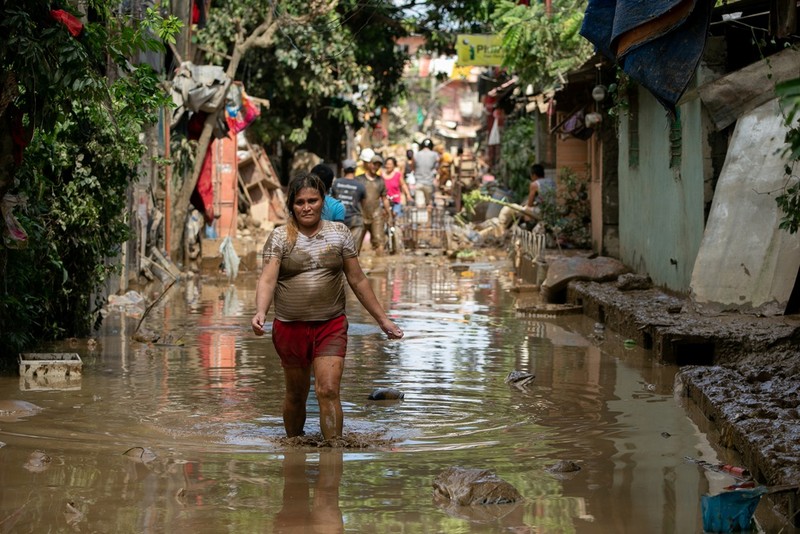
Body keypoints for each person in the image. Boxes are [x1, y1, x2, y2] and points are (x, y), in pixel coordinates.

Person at [251, 173, 404, 440]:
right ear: (292, 205)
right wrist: (261, 312)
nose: (306, 207)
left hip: (330, 324)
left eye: (312, 200)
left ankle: (333, 454)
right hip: (290, 326)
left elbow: (357, 279)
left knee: (329, 390)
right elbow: (268, 279)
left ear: (324, 202)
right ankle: (293, 449)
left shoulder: (339, 234)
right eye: (300, 202)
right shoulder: (279, 237)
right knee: (296, 394)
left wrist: (383, 320)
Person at [357, 154, 391, 256]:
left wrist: (389, 214)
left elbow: (384, 198)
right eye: (374, 164)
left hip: (376, 214)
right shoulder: (359, 179)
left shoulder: (380, 181)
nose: (375, 167)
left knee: (379, 241)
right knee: (355, 243)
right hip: (361, 213)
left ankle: (380, 268)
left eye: (378, 165)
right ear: (369, 164)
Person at [331, 159, 367, 250]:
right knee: (352, 252)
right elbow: (364, 205)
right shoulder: (360, 186)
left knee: (338, 251)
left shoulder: (336, 183)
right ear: (355, 170)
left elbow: (332, 200)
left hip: (338, 220)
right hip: (355, 221)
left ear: (343, 170)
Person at [412, 138, 439, 208]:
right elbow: (437, 167)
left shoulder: (416, 155)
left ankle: (420, 218)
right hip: (429, 183)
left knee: (419, 204)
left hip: (418, 182)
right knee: (429, 204)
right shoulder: (434, 155)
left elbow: (413, 166)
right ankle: (428, 219)